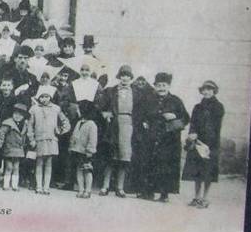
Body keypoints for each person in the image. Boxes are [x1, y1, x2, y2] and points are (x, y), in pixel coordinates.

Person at [137, 72, 190, 202]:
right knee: (150, 163)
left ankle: (164, 194)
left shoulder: (176, 101)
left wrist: (174, 117)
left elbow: (186, 118)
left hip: (169, 139)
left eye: (164, 85)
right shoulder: (148, 99)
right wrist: (144, 121)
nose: (161, 88)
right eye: (159, 85)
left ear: (169, 86)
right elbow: (140, 115)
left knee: (166, 165)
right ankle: (148, 192)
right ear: (155, 86)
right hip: (151, 136)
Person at [96, 64, 145, 197]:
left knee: (124, 157)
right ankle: (105, 186)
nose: (125, 78)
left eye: (127, 76)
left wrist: (139, 122)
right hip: (113, 124)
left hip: (128, 125)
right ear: (119, 77)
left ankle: (120, 187)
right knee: (110, 156)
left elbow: (141, 111)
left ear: (131, 78)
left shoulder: (137, 93)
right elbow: (100, 106)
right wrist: (105, 113)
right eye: (122, 75)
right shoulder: (110, 91)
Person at [182, 80, 225, 208]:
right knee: (197, 171)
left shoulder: (218, 107)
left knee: (208, 172)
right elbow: (193, 123)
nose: (206, 92)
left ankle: (205, 198)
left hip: (211, 143)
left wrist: (207, 144)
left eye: (209, 89)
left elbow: (215, 126)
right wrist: (192, 133)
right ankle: (197, 197)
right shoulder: (197, 107)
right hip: (197, 142)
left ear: (214, 91)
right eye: (204, 89)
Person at [27, 85, 71, 194]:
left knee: (49, 163)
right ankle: (39, 186)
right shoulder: (34, 109)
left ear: (50, 97)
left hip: (51, 139)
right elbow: (30, 125)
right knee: (39, 162)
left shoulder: (56, 108)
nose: (44, 99)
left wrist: (60, 130)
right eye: (42, 97)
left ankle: (46, 187)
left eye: (46, 97)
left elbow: (65, 122)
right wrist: (31, 139)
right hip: (39, 139)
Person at [69, 102, 99, 198]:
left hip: (86, 151)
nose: (77, 111)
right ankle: (81, 189)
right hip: (77, 150)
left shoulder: (92, 124)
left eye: (79, 109)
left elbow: (93, 139)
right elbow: (74, 135)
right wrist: (71, 145)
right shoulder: (79, 123)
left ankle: (88, 190)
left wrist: (90, 150)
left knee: (87, 170)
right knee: (79, 169)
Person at [0, 102, 29, 191]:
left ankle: (14, 185)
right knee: (9, 166)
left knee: (16, 167)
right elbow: (1, 133)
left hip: (19, 149)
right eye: (16, 114)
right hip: (9, 148)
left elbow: (24, 136)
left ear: (23, 116)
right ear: (12, 114)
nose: (17, 116)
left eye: (20, 115)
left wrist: (24, 145)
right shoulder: (8, 123)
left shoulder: (24, 125)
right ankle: (6, 184)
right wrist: (0, 143)